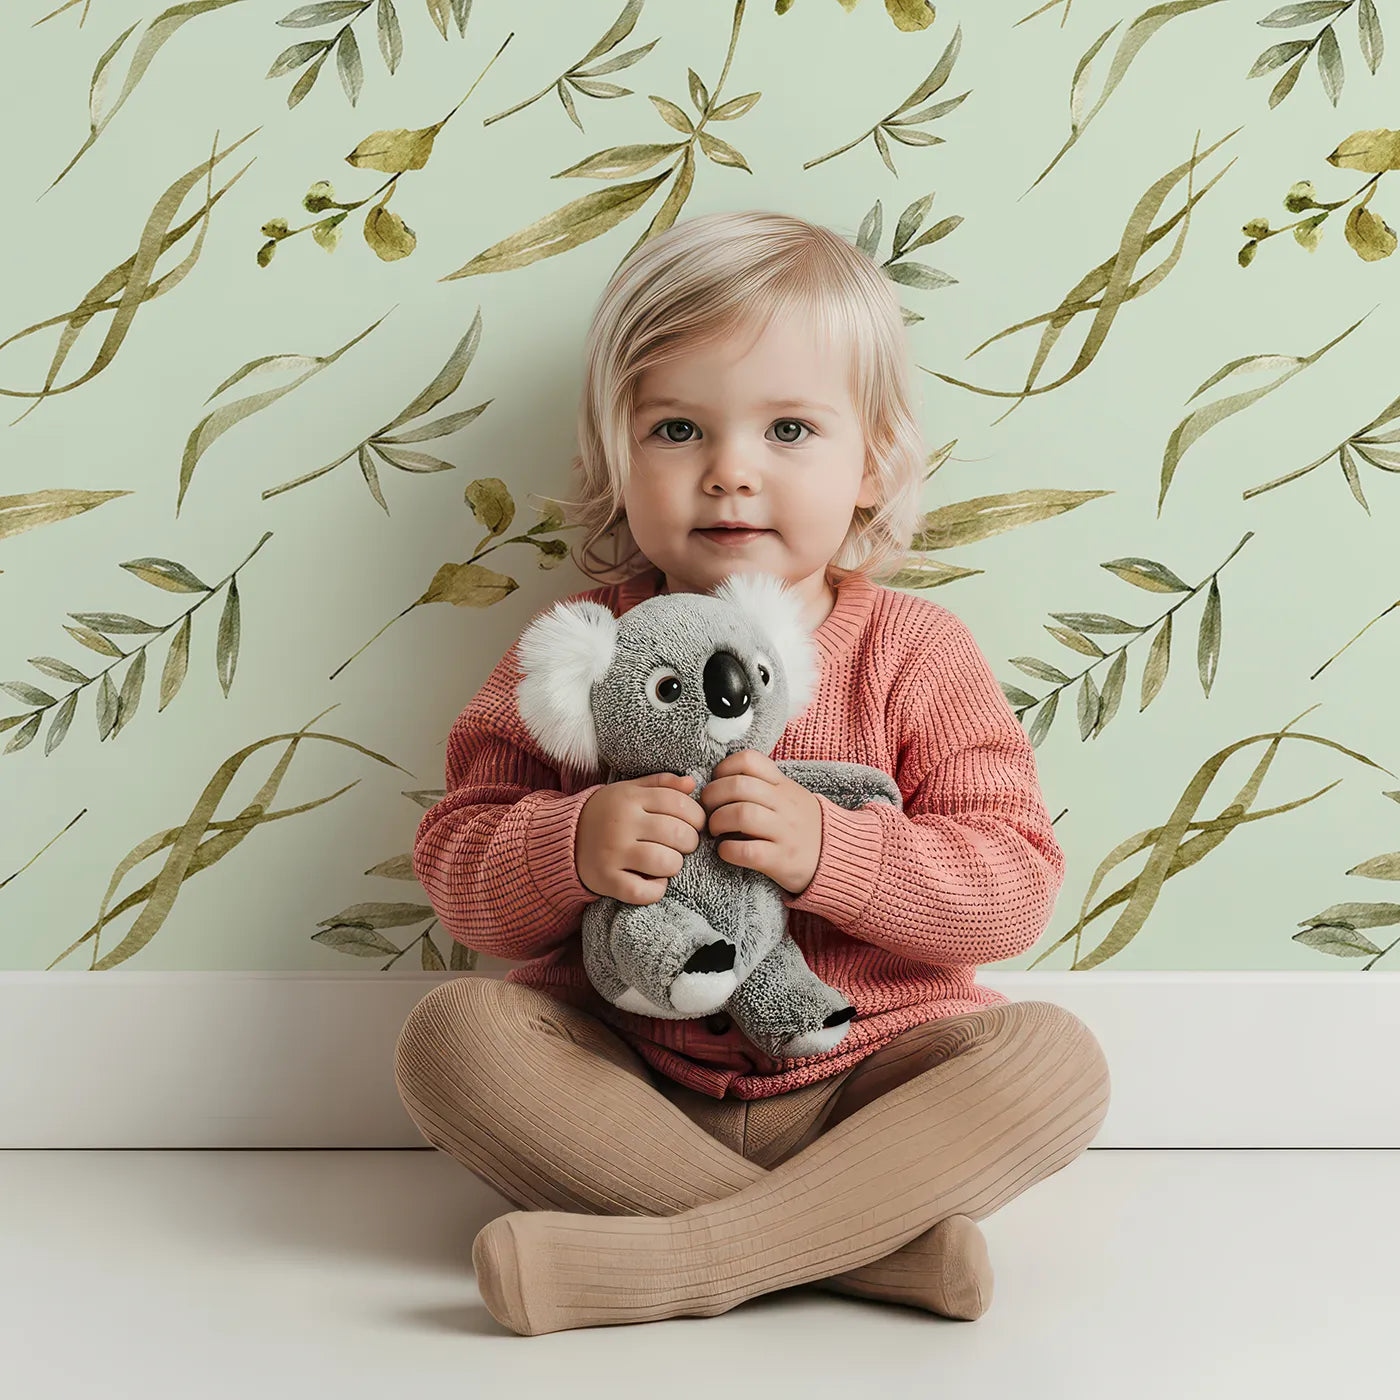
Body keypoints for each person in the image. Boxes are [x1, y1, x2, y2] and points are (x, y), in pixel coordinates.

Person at [394, 209, 1111, 1337]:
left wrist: (837, 853)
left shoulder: (913, 651)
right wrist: (568, 843)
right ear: (614, 459)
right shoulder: (578, 649)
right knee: (450, 1038)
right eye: (677, 428)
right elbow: (456, 856)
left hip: (868, 1074)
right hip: (630, 1084)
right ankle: (870, 1251)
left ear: (872, 463)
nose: (729, 472)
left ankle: (689, 1259)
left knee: (1050, 1060)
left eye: (786, 428)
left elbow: (1011, 883)